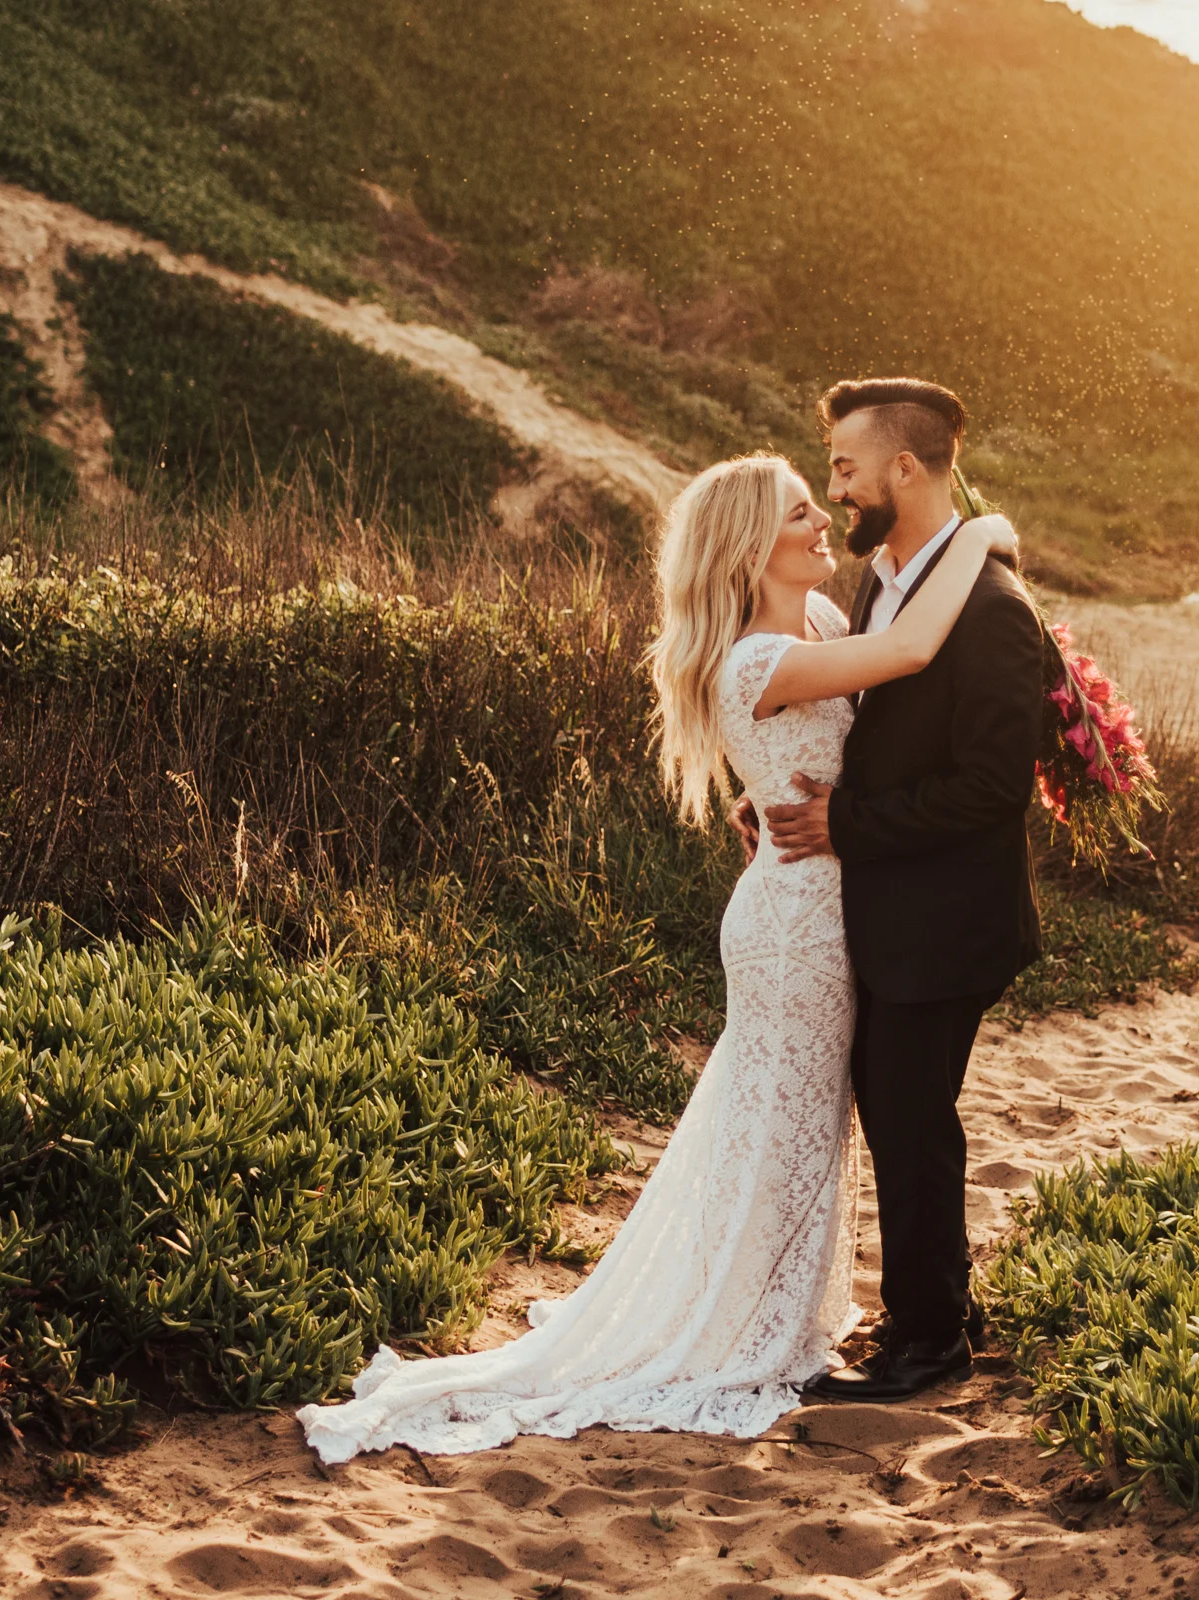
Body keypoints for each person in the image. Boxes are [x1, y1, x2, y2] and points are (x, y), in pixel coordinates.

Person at [296, 449, 1015, 1461]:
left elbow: (861, 730)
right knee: (778, 1119)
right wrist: (981, 534)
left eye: (819, 505)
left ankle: (773, 1310)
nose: (823, 526)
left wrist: (765, 798)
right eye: (800, 515)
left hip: (825, 901)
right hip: (792, 926)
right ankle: (737, 1323)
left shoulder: (811, 624)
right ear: (747, 546)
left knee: (795, 1119)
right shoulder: (755, 662)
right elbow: (906, 652)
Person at [753, 377, 1045, 1404]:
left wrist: (846, 825)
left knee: (912, 1114)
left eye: (843, 465)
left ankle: (926, 1346)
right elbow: (875, 732)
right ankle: (944, 1305)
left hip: (948, 918)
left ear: (903, 469)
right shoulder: (885, 582)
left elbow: (994, 786)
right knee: (898, 1106)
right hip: (890, 910)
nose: (836, 487)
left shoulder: (994, 610)